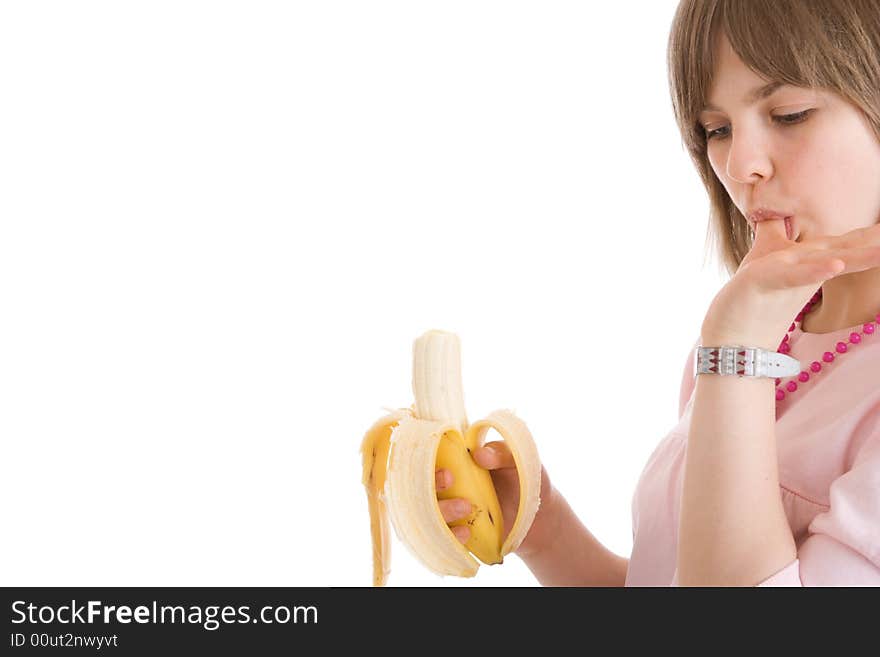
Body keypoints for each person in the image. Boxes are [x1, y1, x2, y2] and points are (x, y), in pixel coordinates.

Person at [435, 0, 880, 586]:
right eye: (716, 129)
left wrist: (736, 351)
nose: (739, 163)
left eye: (790, 113)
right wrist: (549, 535)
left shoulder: (740, 344)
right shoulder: (758, 331)